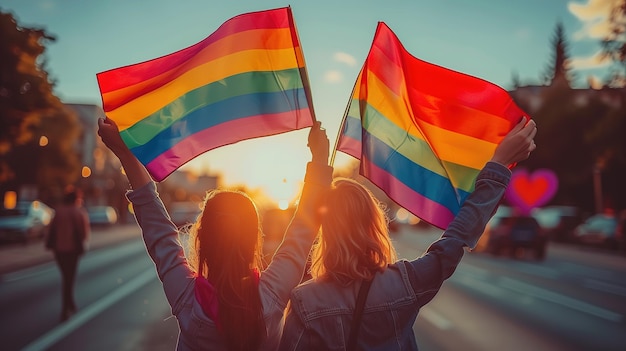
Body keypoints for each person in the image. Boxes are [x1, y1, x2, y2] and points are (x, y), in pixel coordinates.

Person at [279, 117, 537, 351]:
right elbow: (457, 237)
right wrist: (499, 164)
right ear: (373, 224)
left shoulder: (305, 302)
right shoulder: (404, 283)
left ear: (326, 232)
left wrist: (318, 167)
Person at [97, 116, 332, 351]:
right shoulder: (272, 293)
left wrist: (124, 153)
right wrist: (320, 159)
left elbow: (156, 227)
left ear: (200, 240)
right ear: (253, 241)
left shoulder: (188, 299)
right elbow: (303, 229)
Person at [46, 187, 90, 322]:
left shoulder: (58, 212)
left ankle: (70, 304)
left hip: (59, 250)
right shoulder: (78, 212)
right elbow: (84, 232)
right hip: (72, 250)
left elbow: (51, 229)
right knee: (69, 279)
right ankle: (65, 309)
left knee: (66, 277)